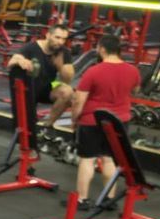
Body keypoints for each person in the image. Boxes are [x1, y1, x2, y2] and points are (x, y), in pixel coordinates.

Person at [70, 35, 140, 206]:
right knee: (109, 159)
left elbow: (78, 101)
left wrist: (74, 119)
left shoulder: (93, 71)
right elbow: (136, 91)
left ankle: (82, 199)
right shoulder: (133, 71)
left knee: (87, 159)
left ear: (101, 49)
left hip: (92, 121)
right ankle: (109, 199)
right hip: (118, 122)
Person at [7, 24, 75, 150]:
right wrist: (20, 60)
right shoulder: (32, 47)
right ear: (48, 35)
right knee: (28, 124)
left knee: (67, 92)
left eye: (63, 39)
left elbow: (67, 80)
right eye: (57, 37)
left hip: (47, 87)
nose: (60, 42)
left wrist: (61, 67)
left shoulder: (63, 52)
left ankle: (47, 126)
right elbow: (12, 61)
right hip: (29, 89)